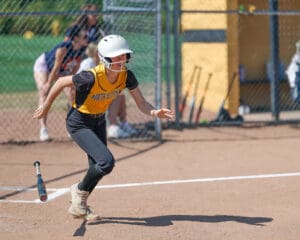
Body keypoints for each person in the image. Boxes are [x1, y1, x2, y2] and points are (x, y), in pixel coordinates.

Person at [33, 34, 174, 220]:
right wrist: (45, 108)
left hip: (99, 121)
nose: (121, 60)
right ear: (105, 58)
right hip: (79, 122)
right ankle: (78, 191)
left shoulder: (126, 76)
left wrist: (155, 112)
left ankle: (79, 205)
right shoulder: (90, 77)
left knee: (96, 167)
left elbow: (141, 103)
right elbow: (60, 82)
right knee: (106, 162)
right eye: (117, 57)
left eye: (124, 56)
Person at [33, 26, 88, 141]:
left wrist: (70, 85)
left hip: (62, 72)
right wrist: (48, 84)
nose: (88, 38)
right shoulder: (64, 48)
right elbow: (55, 68)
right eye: (85, 36)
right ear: (76, 38)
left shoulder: (82, 50)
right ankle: (43, 129)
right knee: (44, 92)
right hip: (45, 66)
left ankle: (71, 128)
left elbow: (73, 70)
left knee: (72, 95)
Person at [77, 42, 137, 138]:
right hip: (88, 97)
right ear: (97, 53)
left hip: (101, 92)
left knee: (120, 96)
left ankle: (122, 124)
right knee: (116, 96)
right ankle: (112, 126)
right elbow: (79, 84)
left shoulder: (105, 63)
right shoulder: (88, 63)